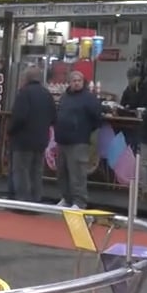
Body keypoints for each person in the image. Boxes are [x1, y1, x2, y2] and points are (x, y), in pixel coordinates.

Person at [52, 70, 103, 208]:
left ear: (83, 82)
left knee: (78, 173)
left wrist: (84, 130)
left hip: (79, 140)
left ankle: (79, 202)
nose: (76, 83)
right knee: (62, 173)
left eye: (79, 80)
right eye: (74, 80)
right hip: (62, 140)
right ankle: (66, 198)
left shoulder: (89, 98)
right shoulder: (64, 97)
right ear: (69, 82)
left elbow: (98, 118)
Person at [5, 67, 55, 204]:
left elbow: (19, 117)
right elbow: (53, 117)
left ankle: (23, 201)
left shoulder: (24, 94)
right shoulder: (47, 94)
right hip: (41, 140)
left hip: (23, 140)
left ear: (26, 79)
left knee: (21, 172)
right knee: (36, 172)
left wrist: (10, 130)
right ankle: (35, 201)